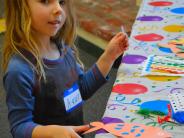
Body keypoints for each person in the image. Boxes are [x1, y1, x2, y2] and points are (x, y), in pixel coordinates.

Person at [2, 0, 129, 138]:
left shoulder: (63, 48)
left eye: (61, 2)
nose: (58, 9)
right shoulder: (19, 71)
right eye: (45, 1)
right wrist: (52, 132)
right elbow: (19, 127)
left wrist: (109, 56)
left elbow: (82, 90)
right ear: (20, 7)